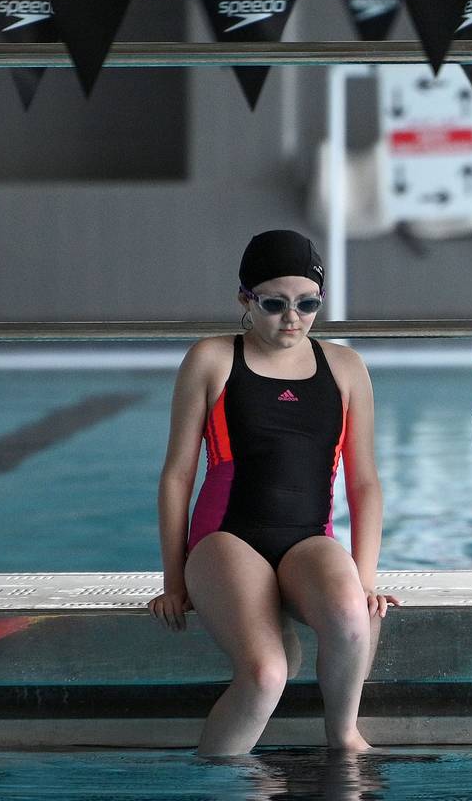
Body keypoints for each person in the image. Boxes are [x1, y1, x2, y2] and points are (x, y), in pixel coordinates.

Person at [149, 229, 399, 755]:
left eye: (307, 304)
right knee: (266, 674)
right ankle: (216, 783)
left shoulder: (346, 368)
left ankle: (344, 740)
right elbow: (177, 475)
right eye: (274, 304)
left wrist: (365, 578)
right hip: (226, 539)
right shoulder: (213, 359)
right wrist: (175, 580)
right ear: (245, 298)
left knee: (354, 616)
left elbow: (365, 482)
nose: (292, 318)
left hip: (308, 540)